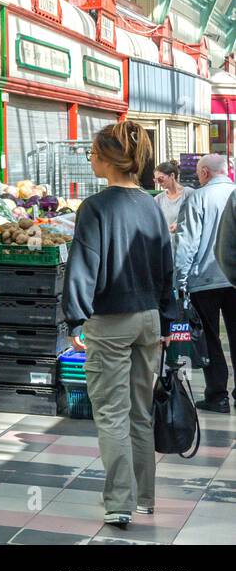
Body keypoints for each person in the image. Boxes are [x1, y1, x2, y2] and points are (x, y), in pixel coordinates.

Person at [61, 122, 174, 528]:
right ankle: (144, 497)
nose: (90, 159)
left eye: (92, 152)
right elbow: (167, 267)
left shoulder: (95, 207)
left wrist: (75, 317)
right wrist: (166, 316)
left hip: (110, 322)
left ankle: (119, 503)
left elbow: (83, 267)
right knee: (139, 412)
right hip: (149, 319)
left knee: (111, 413)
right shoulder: (151, 204)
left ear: (109, 158)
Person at [174, 154, 236, 413]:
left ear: (205, 173)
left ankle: (217, 396)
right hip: (233, 281)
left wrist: (180, 279)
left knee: (210, 340)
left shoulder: (198, 198)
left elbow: (187, 243)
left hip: (204, 281)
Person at [153, 160, 190, 240]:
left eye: (161, 179)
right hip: (167, 245)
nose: (158, 182)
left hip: (186, 246)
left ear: (172, 175)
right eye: (156, 180)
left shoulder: (189, 194)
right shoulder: (158, 199)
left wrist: (180, 225)